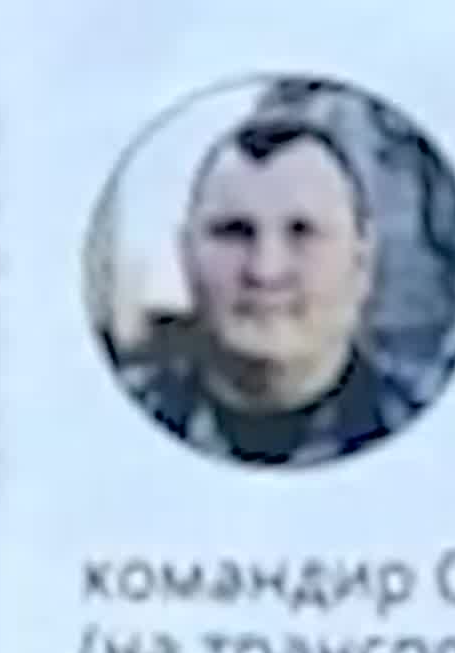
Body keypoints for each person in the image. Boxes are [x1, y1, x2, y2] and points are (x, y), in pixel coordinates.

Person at [117, 110, 420, 467]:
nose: (265, 270)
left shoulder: (436, 447)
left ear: (361, 262)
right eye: (234, 232)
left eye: (302, 232)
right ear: (186, 256)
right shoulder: (107, 436)